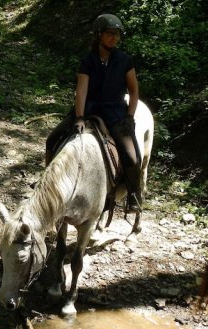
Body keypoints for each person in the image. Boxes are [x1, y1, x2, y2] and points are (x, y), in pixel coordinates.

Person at [45, 13, 143, 212]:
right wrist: (79, 117)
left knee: (132, 157)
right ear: (99, 35)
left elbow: (133, 91)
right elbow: (81, 90)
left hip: (115, 112)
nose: (114, 38)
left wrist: (130, 117)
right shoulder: (88, 61)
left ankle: (134, 195)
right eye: (109, 34)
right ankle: (46, 183)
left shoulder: (125, 60)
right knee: (52, 139)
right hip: (89, 109)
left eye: (117, 34)